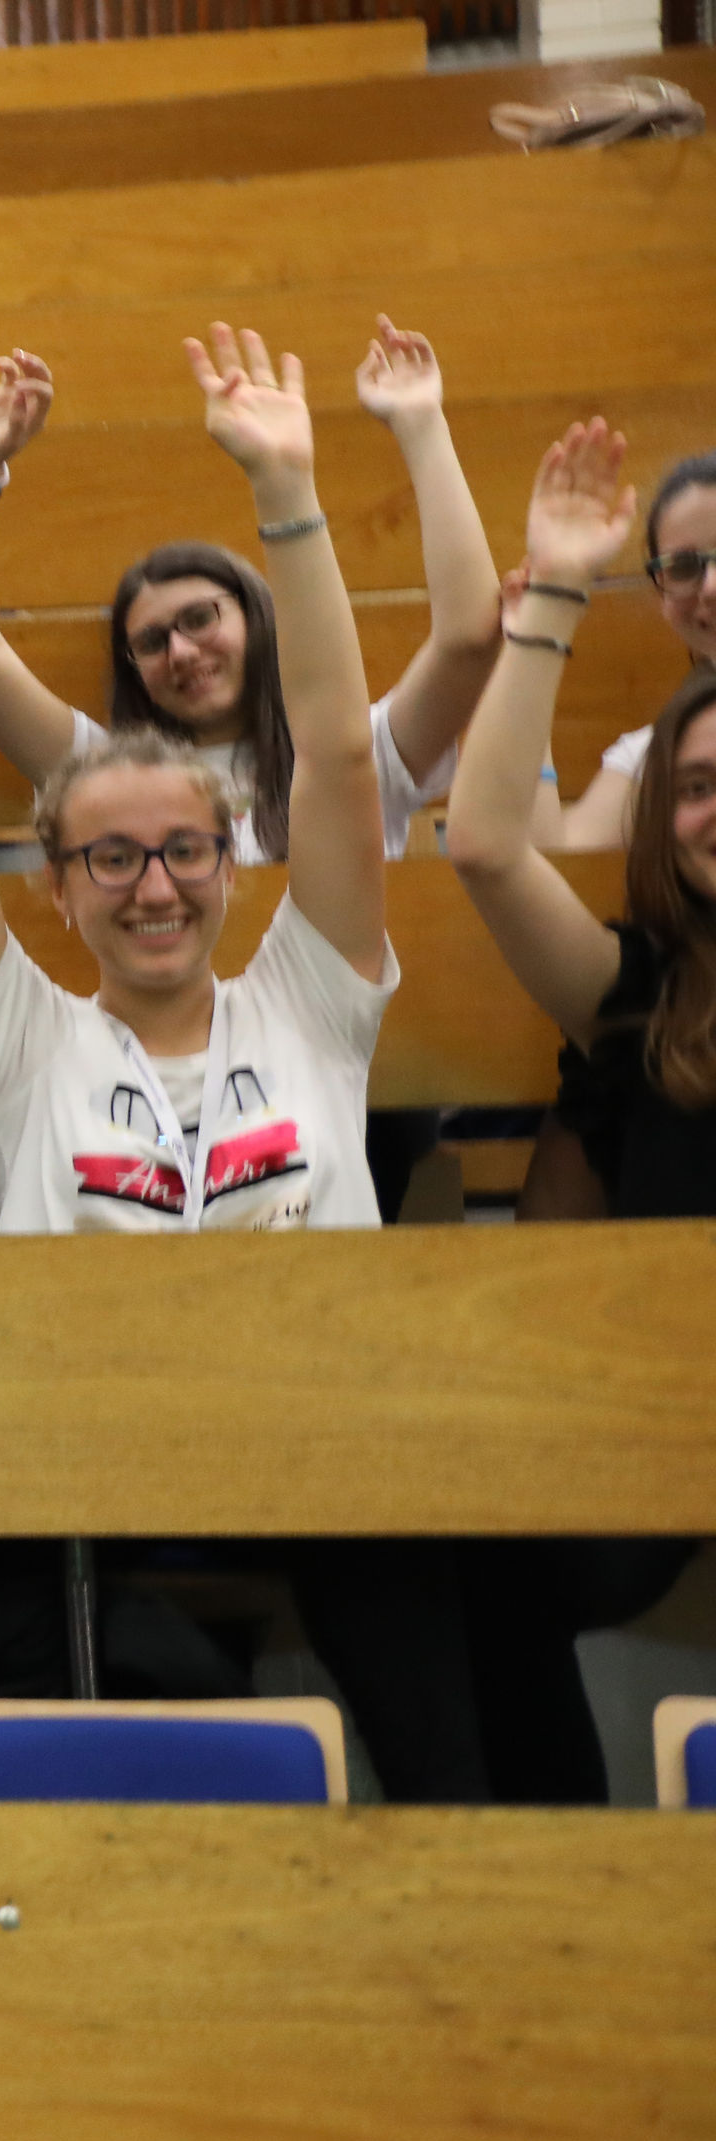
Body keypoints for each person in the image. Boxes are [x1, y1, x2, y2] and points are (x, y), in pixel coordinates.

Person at [0, 334, 487, 1802]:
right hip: (81, 1448)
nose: (153, 888)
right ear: (60, 887)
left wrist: (289, 494)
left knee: (432, 1621)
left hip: (318, 1437)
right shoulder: (21, 1039)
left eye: (185, 852)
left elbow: (331, 754)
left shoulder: (312, 1001)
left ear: (226, 867)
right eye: (111, 858)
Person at [437, 418, 716, 1799]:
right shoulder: (640, 996)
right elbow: (487, 845)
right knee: (495, 1566)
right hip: (670, 1414)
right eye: (701, 789)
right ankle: (572, 1880)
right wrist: (550, 591)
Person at [0, 321, 501, 869]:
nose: (182, 652)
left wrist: (422, 424)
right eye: (152, 641)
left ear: (255, 617)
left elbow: (470, 638)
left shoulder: (363, 748)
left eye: (199, 618)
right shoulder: (103, 772)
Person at [548, 445, 716, 848]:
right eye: (685, 568)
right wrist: (547, 599)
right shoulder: (657, 755)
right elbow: (556, 865)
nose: (711, 588)